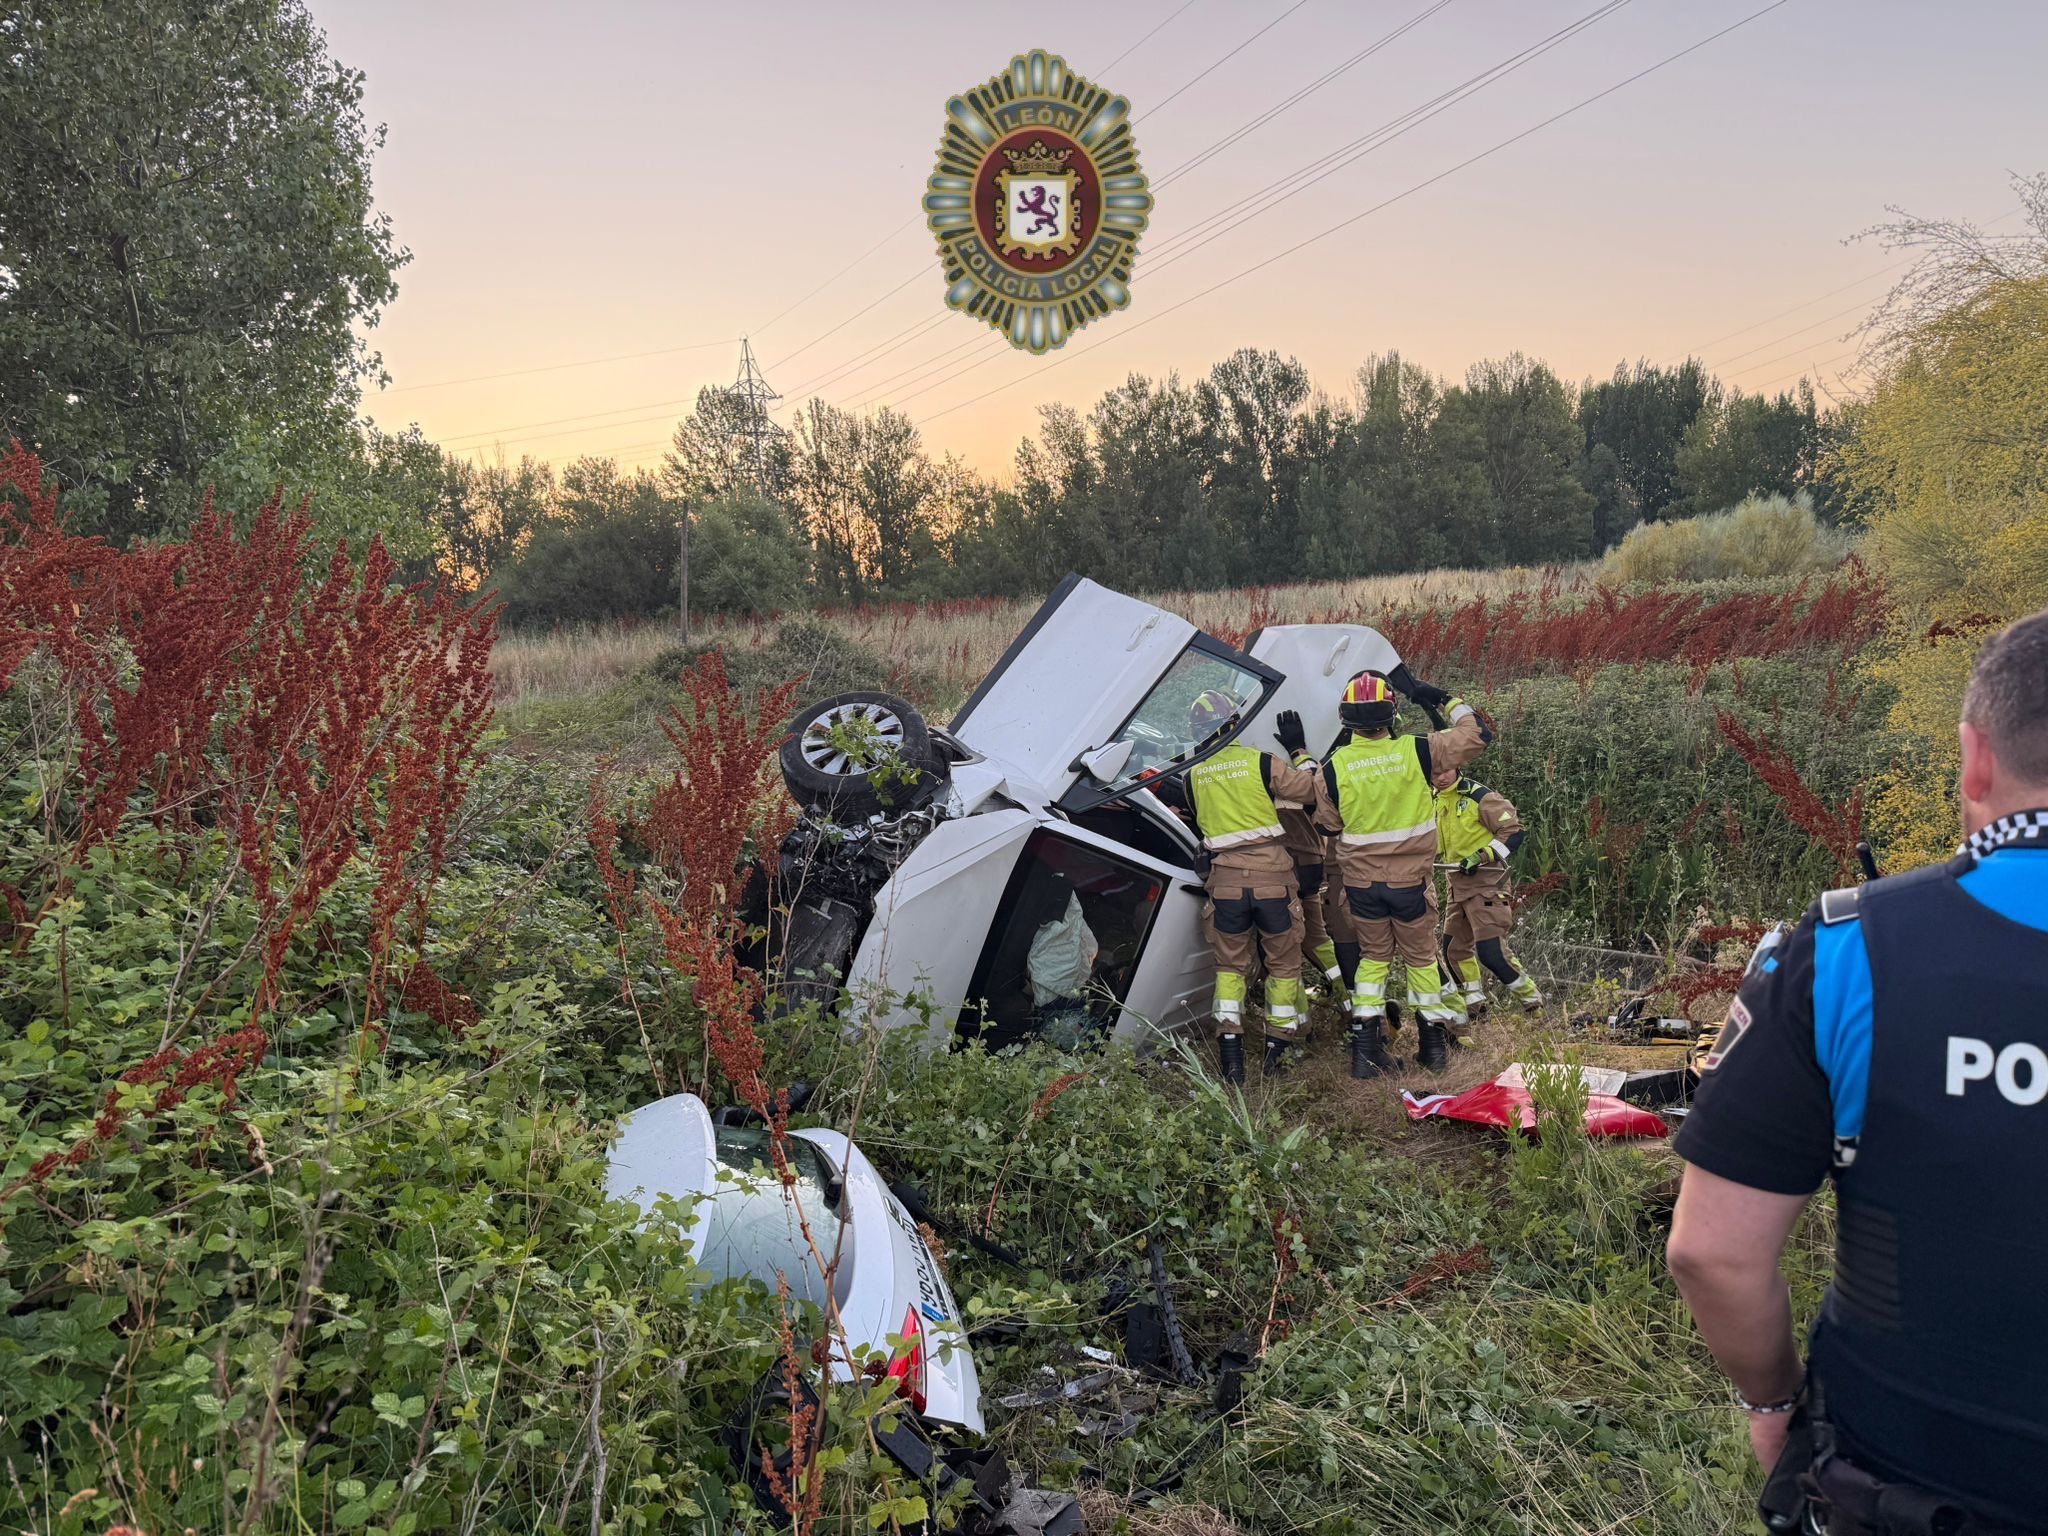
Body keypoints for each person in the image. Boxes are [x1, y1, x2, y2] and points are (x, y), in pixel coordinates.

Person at [1667, 607, 2048, 1534]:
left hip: (1907, 1485)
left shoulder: (1849, 953)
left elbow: (1712, 1252)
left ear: (1975, 759)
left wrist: (1772, 1406)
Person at [1315, 671, 1486, 1078]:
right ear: (1391, 714)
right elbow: (1477, 734)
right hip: (1410, 884)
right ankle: (1433, 1050)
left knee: (1373, 960)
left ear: (1345, 720)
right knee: (1422, 959)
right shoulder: (1419, 750)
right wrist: (1441, 697)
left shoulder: (1332, 769)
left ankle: (1365, 1054)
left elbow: (1328, 825)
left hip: (1361, 887)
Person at [1183, 691, 1319, 1083]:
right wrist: (1300, 751)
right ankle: (1277, 1049)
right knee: (1283, 964)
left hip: (1224, 886)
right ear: (1233, 725)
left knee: (1229, 967)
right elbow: (1309, 790)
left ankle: (1231, 1057)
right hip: (1273, 882)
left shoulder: (1192, 775)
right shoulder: (1260, 762)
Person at [1432, 769, 1542, 1024]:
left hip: (1487, 882)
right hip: (1456, 886)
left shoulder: (1479, 796)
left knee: (1491, 952)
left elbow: (1514, 833)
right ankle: (1476, 1009)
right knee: (1454, 951)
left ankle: (1534, 1004)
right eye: (1435, 772)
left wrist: (1482, 856)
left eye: (1446, 770)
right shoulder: (1435, 799)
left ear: (1457, 766)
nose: (1441, 777)